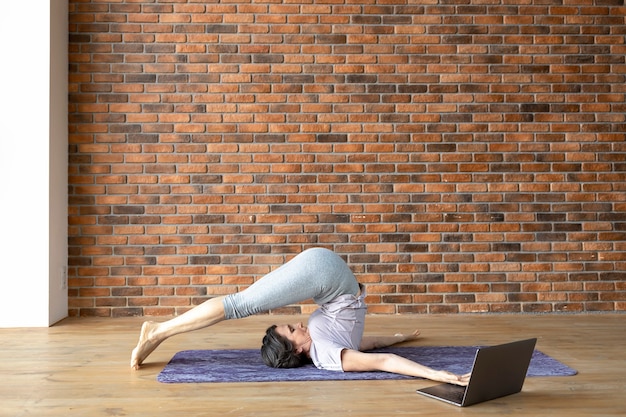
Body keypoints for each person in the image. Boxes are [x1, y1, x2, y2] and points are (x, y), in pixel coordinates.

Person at [131, 247, 470, 386]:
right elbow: (381, 359)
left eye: (291, 325)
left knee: (242, 303)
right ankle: (158, 331)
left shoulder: (324, 349)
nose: (299, 324)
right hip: (325, 274)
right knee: (240, 304)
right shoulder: (326, 354)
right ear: (298, 350)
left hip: (325, 275)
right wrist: (439, 374)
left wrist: (403, 337)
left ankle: (159, 331)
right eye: (293, 329)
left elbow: (367, 347)